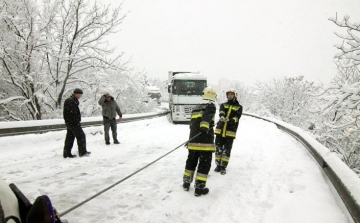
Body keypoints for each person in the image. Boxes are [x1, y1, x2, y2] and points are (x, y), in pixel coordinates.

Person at [182, 86, 217, 197]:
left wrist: (191, 138)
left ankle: (186, 183)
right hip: (205, 142)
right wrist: (205, 127)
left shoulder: (196, 107)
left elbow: (192, 125)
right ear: (213, 96)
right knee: (204, 164)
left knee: (191, 162)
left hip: (193, 141)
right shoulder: (211, 106)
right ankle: (199, 188)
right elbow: (206, 118)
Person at [214, 89, 243, 175]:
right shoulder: (223, 105)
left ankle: (223, 167)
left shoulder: (239, 107)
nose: (230, 96)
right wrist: (222, 116)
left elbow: (237, 117)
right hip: (220, 130)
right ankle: (218, 165)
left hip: (230, 131)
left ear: (234, 95)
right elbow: (221, 111)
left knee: (227, 149)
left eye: (231, 94)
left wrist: (230, 120)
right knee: (218, 148)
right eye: (228, 94)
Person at [63, 88, 91, 158]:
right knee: (81, 136)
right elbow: (71, 113)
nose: (81, 96)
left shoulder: (72, 100)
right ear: (77, 94)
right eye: (80, 94)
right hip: (73, 123)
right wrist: (75, 121)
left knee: (70, 138)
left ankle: (66, 153)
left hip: (71, 123)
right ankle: (82, 152)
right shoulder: (70, 101)